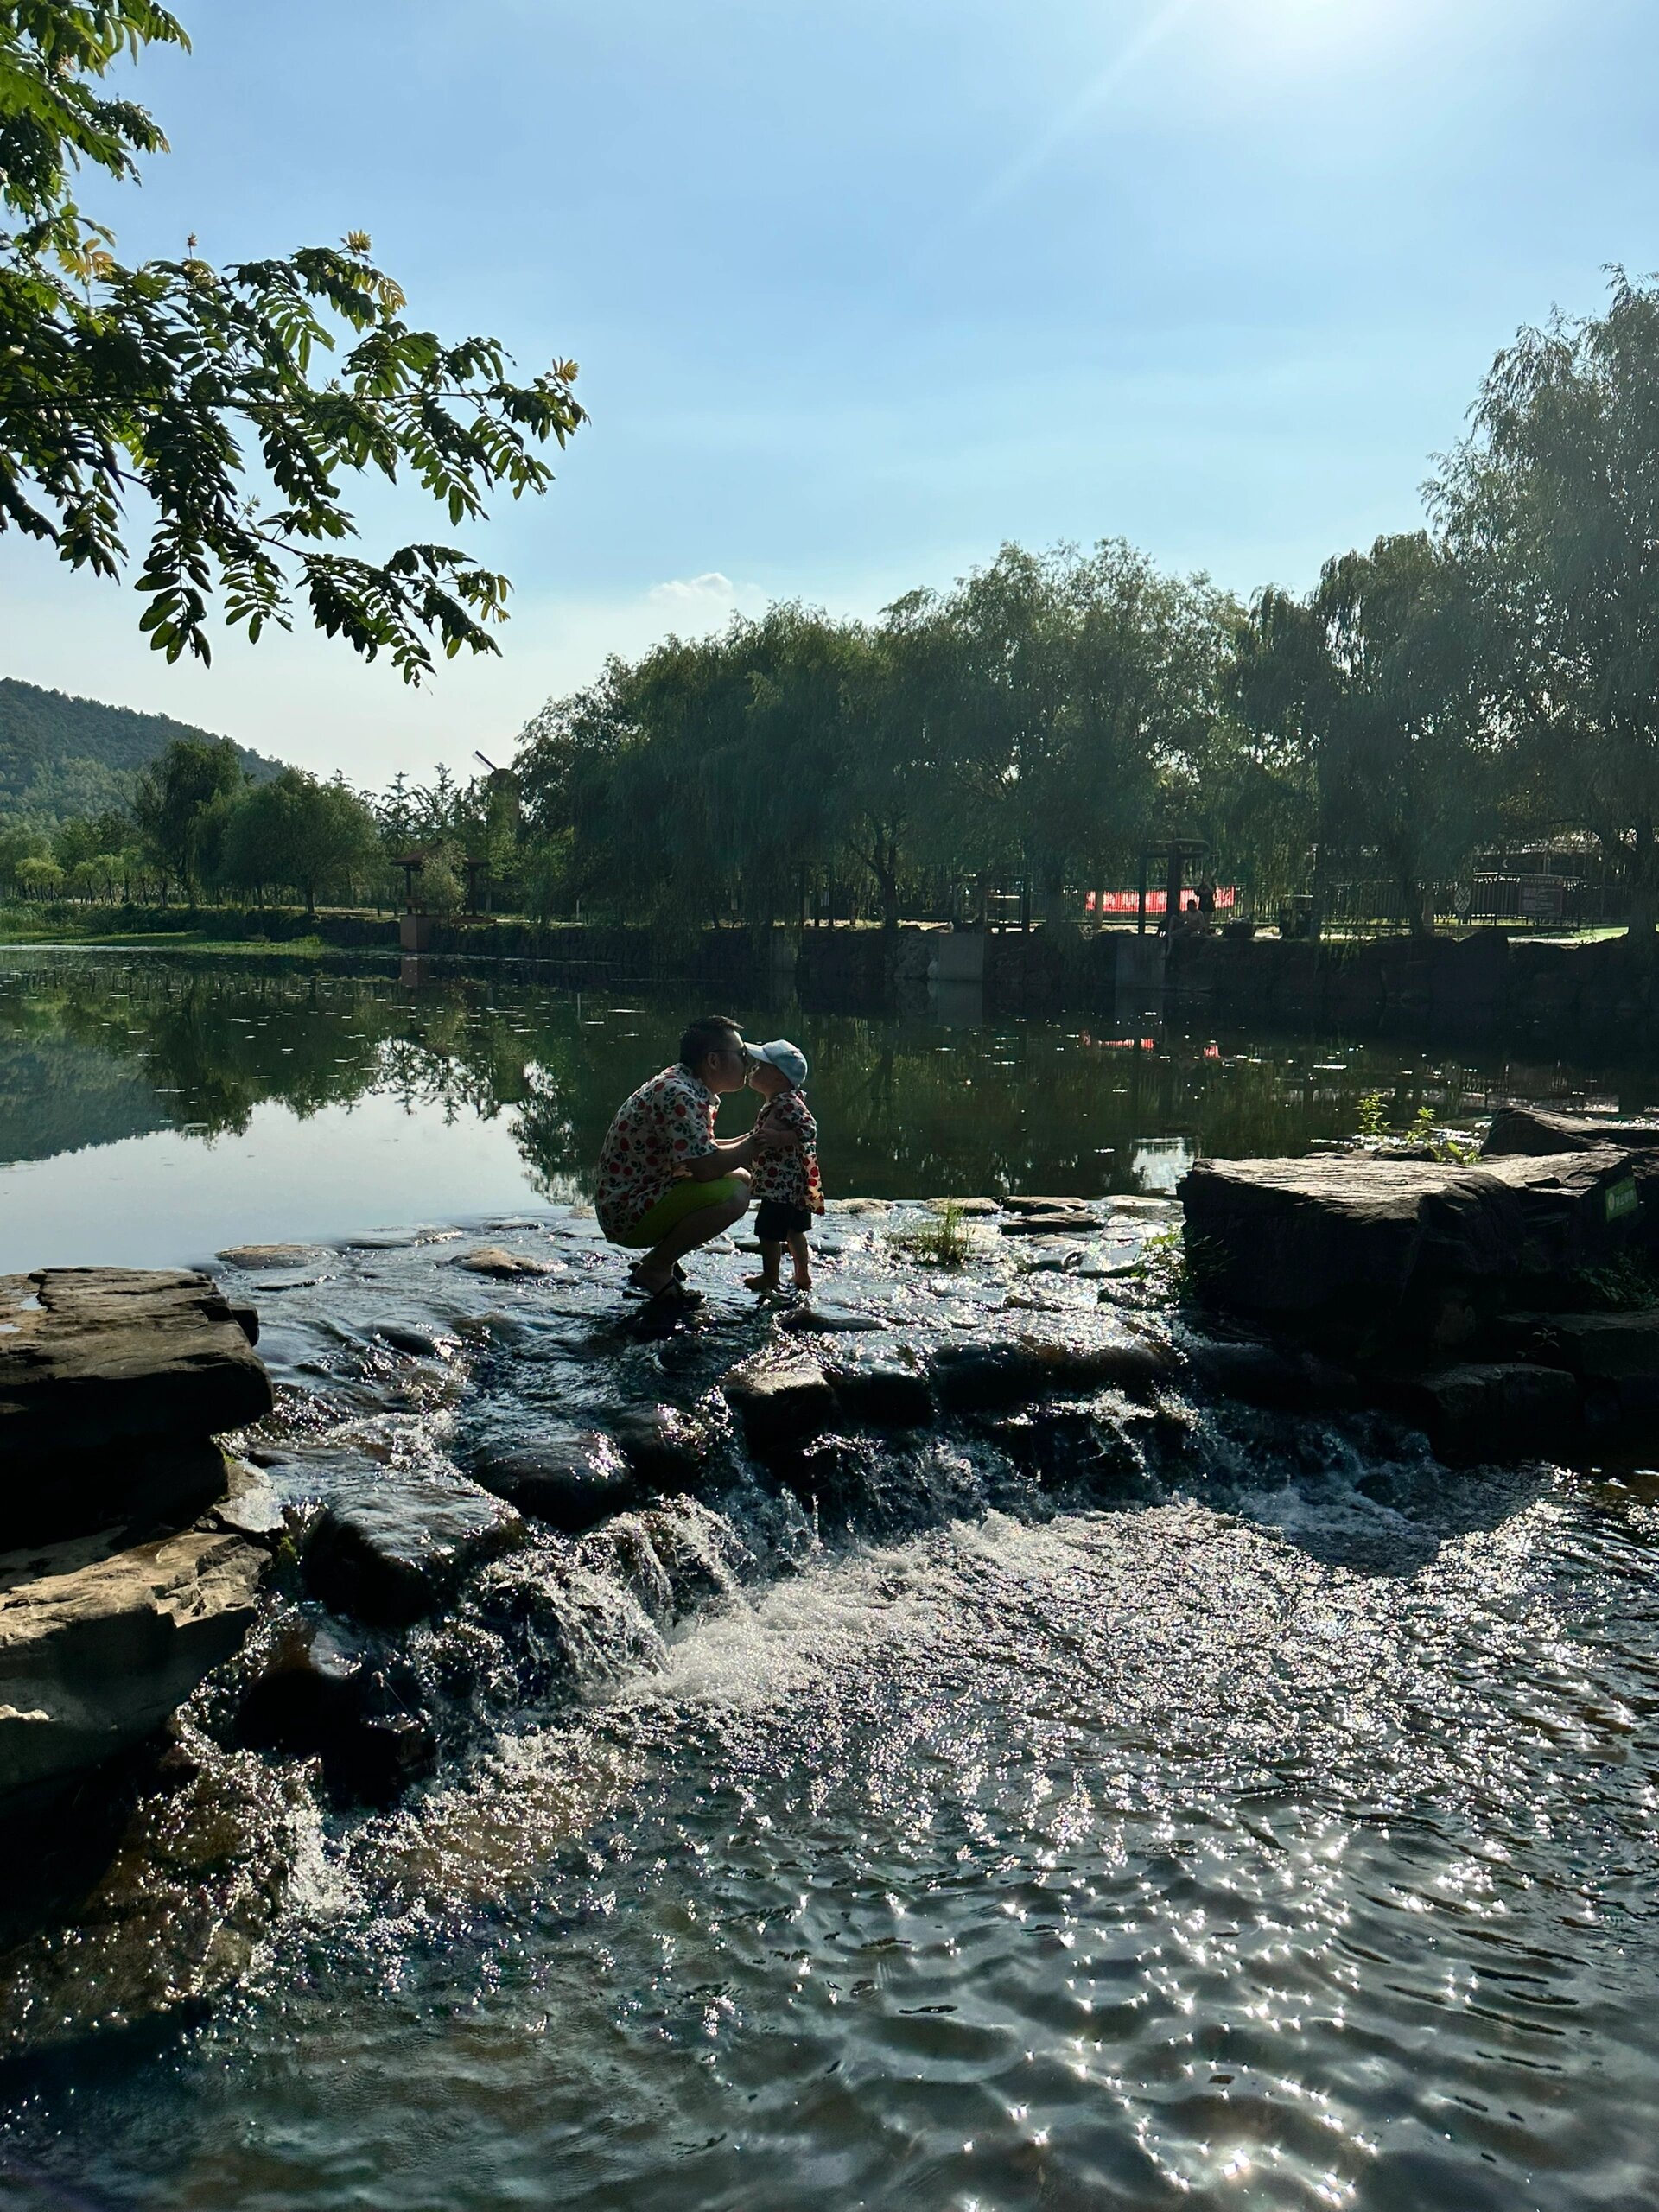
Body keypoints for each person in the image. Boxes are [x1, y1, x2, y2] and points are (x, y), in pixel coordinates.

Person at [594, 1014, 783, 1299]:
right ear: (714, 1060)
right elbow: (704, 1168)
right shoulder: (680, 1095)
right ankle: (656, 1269)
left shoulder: (685, 1084)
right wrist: (755, 1144)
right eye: (741, 1055)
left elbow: (700, 1150)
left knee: (740, 1179)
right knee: (736, 1196)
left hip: (640, 1196)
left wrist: (756, 1140)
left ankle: (658, 1260)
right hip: (627, 1212)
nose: (747, 1064)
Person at [741, 1039, 823, 1296]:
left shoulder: (786, 1102)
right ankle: (802, 1275)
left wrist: (780, 1138)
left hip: (782, 1185)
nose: (753, 1069)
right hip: (792, 1184)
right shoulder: (783, 1100)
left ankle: (770, 1276)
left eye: (760, 1067)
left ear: (777, 1077)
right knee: (794, 1230)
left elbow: (810, 1129)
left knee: (768, 1232)